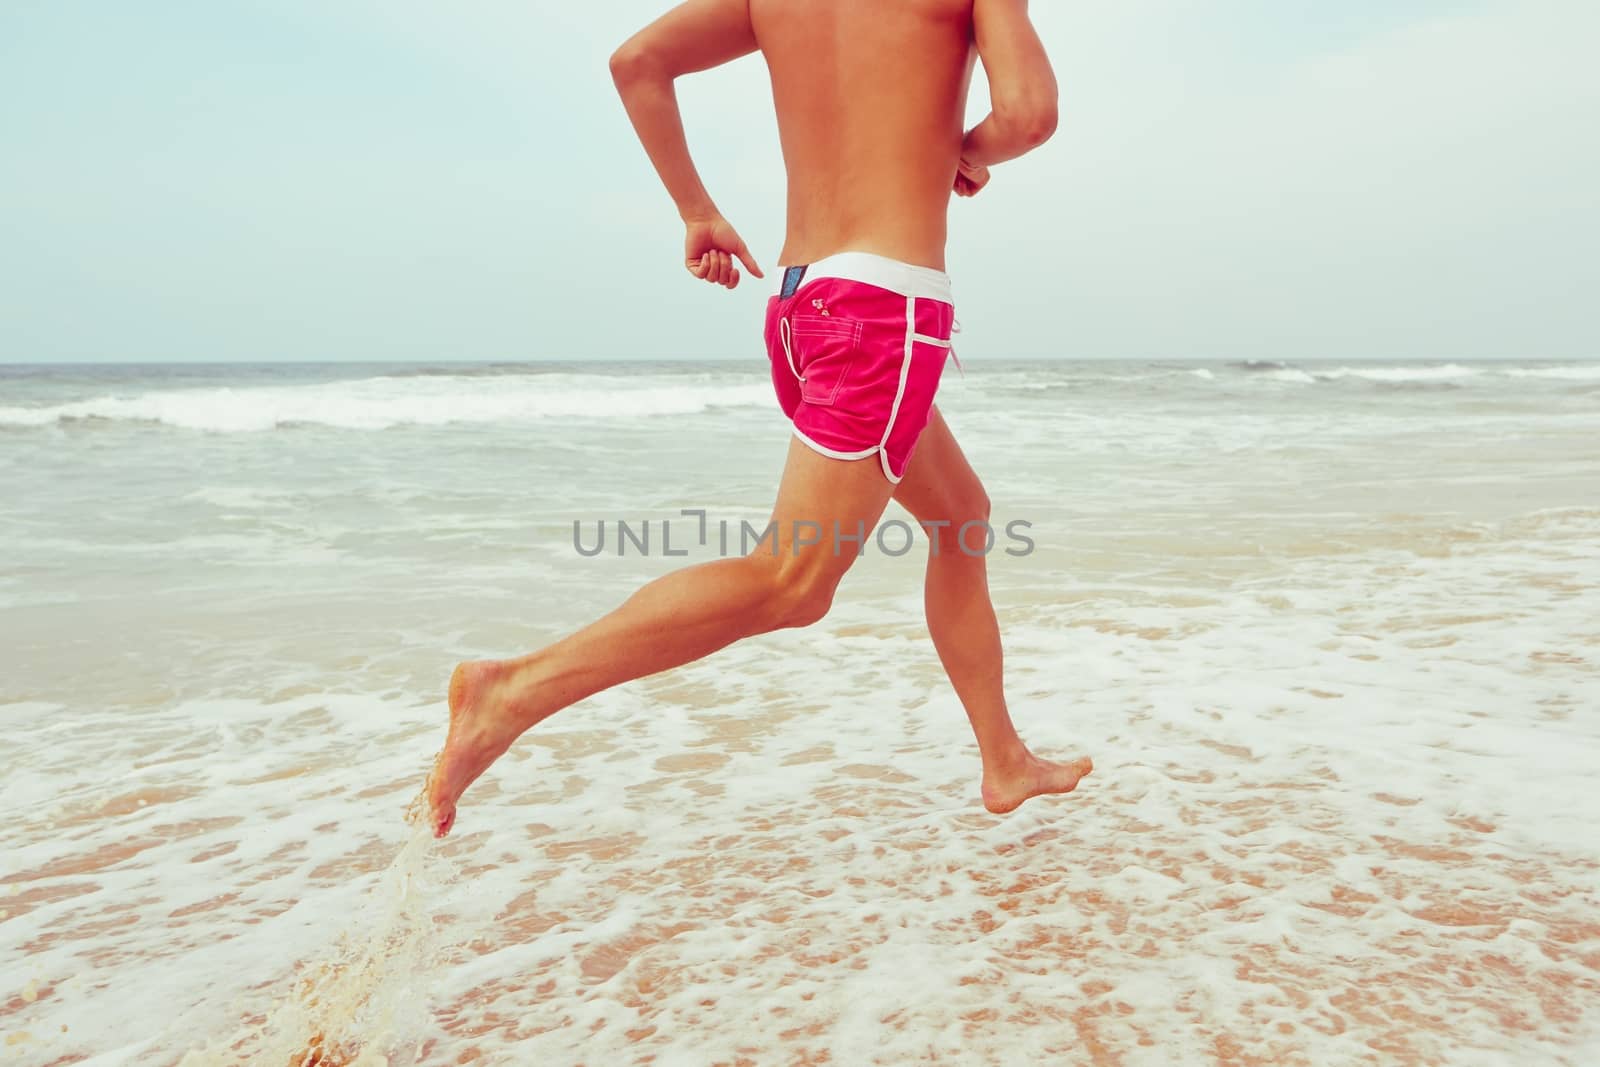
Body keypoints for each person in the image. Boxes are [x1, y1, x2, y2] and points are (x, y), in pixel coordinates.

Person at [422, 0, 1090, 838]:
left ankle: (1003, 758)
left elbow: (638, 63)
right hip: (882, 311)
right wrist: (964, 150)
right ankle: (510, 691)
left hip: (800, 303)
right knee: (793, 583)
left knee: (961, 516)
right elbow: (1029, 114)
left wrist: (696, 210)